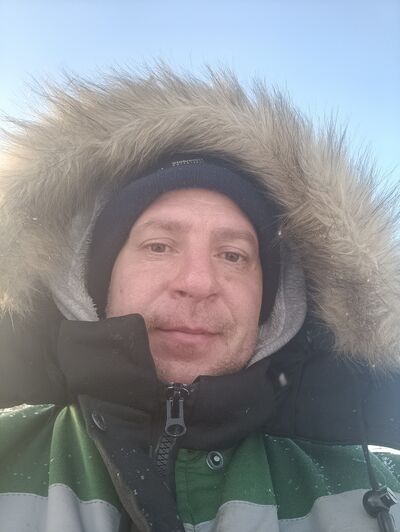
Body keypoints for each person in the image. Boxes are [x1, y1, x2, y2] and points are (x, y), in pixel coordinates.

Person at [0, 67, 400, 532]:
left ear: (272, 306)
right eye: (159, 246)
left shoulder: (380, 487)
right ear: (94, 281)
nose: (197, 282)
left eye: (233, 256)